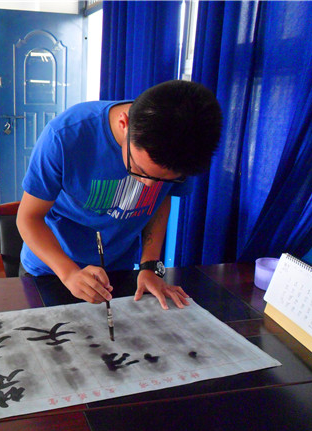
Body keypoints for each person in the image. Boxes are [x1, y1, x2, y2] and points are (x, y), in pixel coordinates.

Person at [17, 80, 222, 310]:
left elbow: (162, 201)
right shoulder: (65, 136)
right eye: (140, 170)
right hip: (51, 270)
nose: (148, 185)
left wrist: (149, 266)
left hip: (117, 271)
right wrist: (69, 273)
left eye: (162, 180)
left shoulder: (185, 148)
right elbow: (28, 218)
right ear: (124, 124)